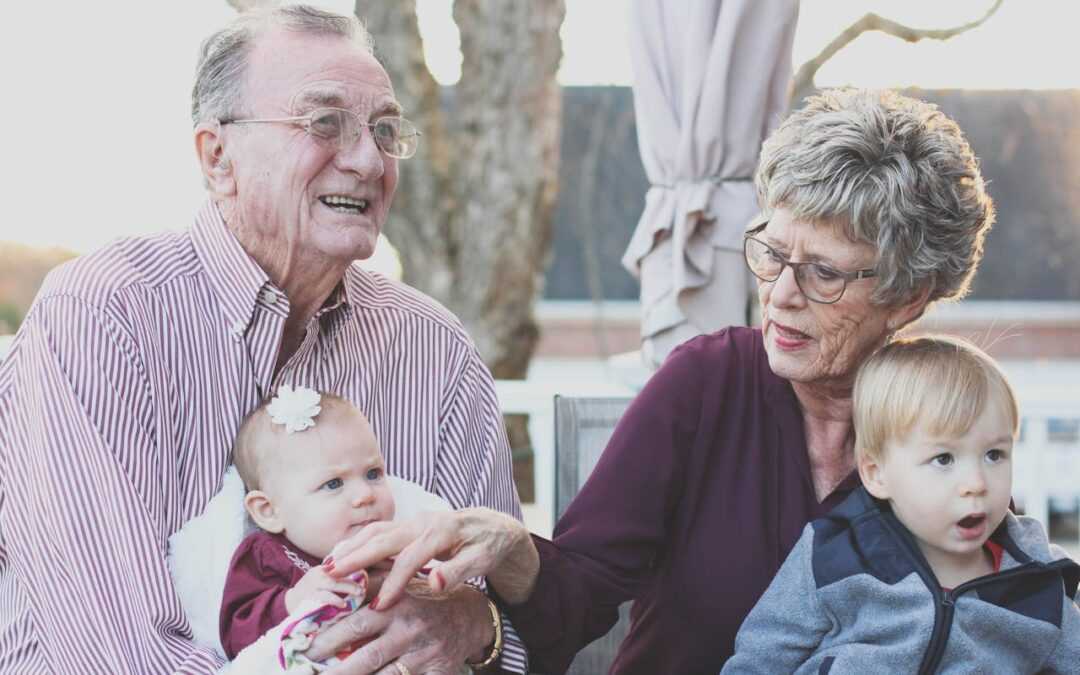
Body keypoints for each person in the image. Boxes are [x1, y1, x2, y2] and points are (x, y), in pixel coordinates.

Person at [324, 88, 1000, 674]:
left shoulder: (950, 422)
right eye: (771, 251)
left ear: (907, 296)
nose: (781, 294)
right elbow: (578, 594)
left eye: (823, 272)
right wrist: (513, 549)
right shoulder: (707, 383)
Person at [0, 6, 527, 673]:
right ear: (219, 157)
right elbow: (113, 653)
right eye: (324, 122)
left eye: (386, 130)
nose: (368, 160)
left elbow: (499, 622)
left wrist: (473, 627)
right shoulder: (103, 317)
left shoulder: (435, 347)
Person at [721, 336, 1080, 674]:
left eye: (994, 454)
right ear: (877, 475)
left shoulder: (1038, 583)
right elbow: (760, 658)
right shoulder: (834, 555)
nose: (976, 484)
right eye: (943, 459)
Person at [219, 386, 394, 660]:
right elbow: (235, 635)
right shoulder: (268, 555)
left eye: (374, 473)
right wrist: (292, 601)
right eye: (333, 483)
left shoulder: (396, 547)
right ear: (269, 511)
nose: (365, 495)